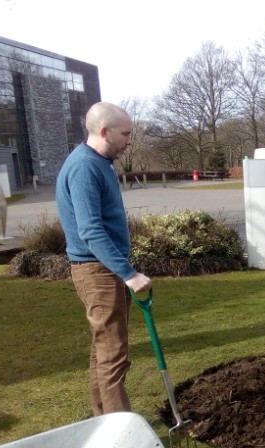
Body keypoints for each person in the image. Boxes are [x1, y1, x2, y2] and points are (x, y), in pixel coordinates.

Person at [56, 101, 152, 415]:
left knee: (103, 351)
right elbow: (90, 230)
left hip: (103, 268)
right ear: (104, 131)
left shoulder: (100, 162)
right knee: (113, 355)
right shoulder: (84, 167)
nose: (129, 140)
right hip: (96, 271)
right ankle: (121, 434)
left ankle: (103, 421)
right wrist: (130, 274)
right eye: (125, 134)